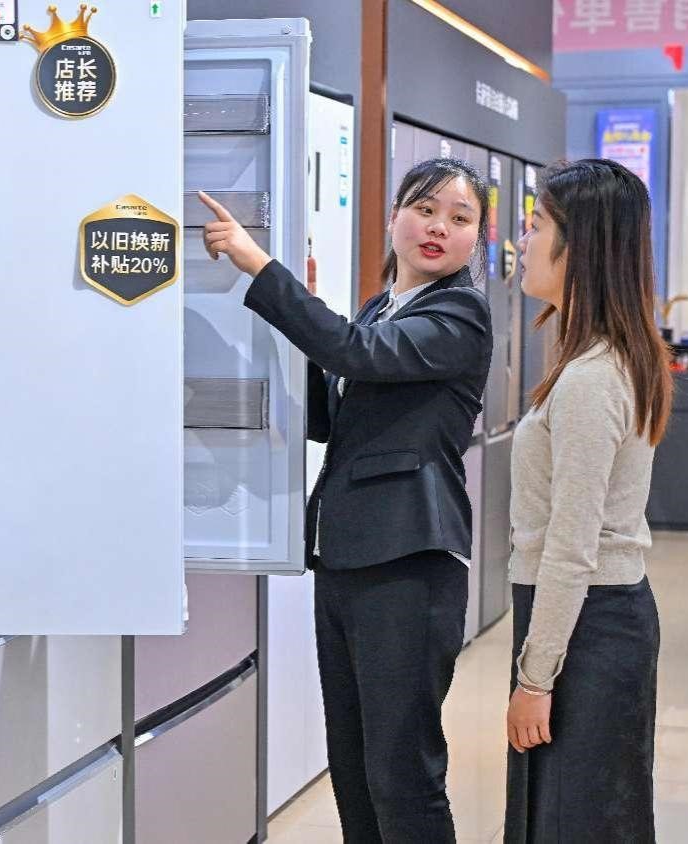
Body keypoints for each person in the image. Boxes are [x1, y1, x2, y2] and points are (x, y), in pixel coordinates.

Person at [198, 156, 493, 842]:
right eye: (424, 209)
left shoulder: (460, 313)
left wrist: (260, 269)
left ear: (475, 238)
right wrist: (298, 319)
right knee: (354, 767)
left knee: (401, 772)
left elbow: (358, 354)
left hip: (409, 562)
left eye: (459, 218)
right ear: (394, 218)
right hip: (345, 558)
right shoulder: (382, 308)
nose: (438, 227)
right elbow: (332, 417)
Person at [506, 158, 672, 842]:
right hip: (592, 620)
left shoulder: (591, 379)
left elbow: (571, 547)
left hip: (585, 627)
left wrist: (534, 678)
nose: (522, 240)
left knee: (574, 821)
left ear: (582, 246)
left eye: (536, 225)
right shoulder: (604, 360)